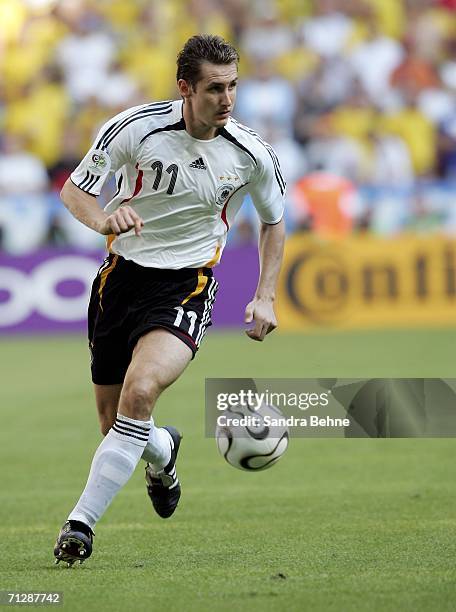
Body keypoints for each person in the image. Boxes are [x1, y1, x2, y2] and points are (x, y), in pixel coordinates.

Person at [53, 34, 286, 566]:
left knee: (141, 391)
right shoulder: (134, 128)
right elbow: (75, 191)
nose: (226, 100)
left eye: (232, 87)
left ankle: (79, 525)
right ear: (185, 87)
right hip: (121, 279)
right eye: (213, 88)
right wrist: (103, 219)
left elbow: (274, 222)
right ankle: (163, 452)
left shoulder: (251, 154)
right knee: (117, 426)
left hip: (187, 284)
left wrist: (265, 296)